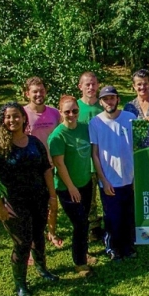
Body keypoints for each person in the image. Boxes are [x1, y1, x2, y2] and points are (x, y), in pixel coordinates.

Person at [0, 102, 58, 296]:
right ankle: (20, 284)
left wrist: (51, 196)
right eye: (8, 117)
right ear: (2, 120)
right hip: (14, 203)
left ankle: (43, 270)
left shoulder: (34, 143)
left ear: (24, 118)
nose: (12, 120)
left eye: (16, 116)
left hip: (39, 198)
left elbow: (46, 170)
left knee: (38, 237)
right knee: (22, 243)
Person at [48, 95, 95, 277]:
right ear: (60, 113)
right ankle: (80, 263)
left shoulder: (84, 129)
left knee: (85, 222)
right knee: (80, 223)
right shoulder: (58, 136)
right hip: (68, 188)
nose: (71, 114)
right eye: (67, 111)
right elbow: (59, 165)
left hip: (85, 182)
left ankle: (83, 253)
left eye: (75, 111)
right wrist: (71, 187)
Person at [89, 86, 137, 261]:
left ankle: (128, 247)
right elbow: (94, 153)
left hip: (129, 178)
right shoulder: (95, 122)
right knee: (112, 218)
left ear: (118, 99)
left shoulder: (130, 119)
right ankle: (112, 248)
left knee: (128, 216)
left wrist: (136, 178)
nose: (109, 102)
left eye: (112, 98)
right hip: (109, 180)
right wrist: (103, 179)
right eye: (105, 99)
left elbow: (137, 148)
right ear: (101, 102)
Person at [23, 76, 63, 249]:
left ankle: (52, 233)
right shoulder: (22, 114)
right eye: (34, 91)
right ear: (27, 94)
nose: (39, 94)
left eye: (41, 90)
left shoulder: (54, 113)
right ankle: (33, 239)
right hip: (32, 168)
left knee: (53, 202)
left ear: (45, 91)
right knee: (34, 207)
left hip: (54, 165)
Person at [77, 71, 105, 241]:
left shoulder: (103, 106)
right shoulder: (75, 108)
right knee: (89, 198)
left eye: (94, 84)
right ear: (80, 86)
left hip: (104, 159)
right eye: (87, 84)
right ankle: (93, 227)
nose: (91, 87)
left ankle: (109, 223)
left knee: (107, 193)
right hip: (83, 161)